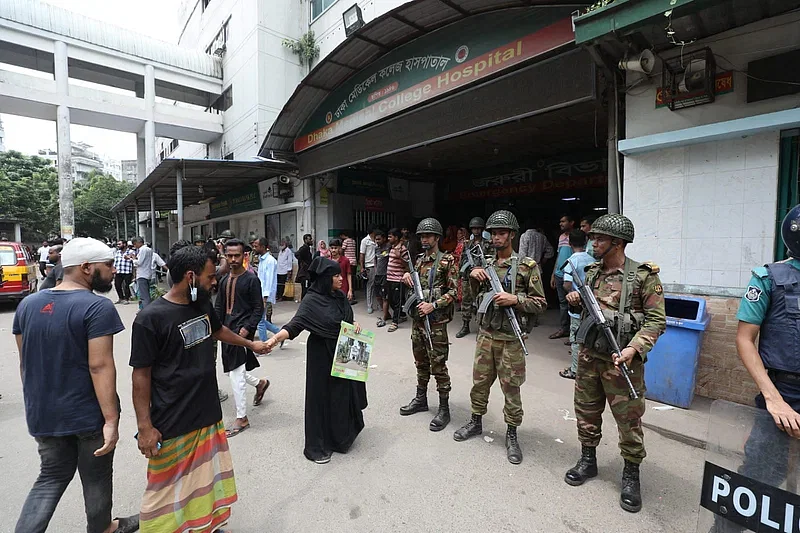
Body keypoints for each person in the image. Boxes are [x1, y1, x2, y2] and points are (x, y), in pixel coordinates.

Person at [130, 246, 268, 533]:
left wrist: (251, 344)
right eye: (209, 276)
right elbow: (140, 376)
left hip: (207, 413)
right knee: (164, 492)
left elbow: (218, 331)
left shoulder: (201, 304)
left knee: (206, 481)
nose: (214, 281)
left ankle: (206, 525)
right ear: (190, 276)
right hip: (172, 420)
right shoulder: (150, 318)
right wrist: (145, 427)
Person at [13, 237, 139, 533]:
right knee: (95, 476)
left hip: (43, 413)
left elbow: (25, 363)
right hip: (86, 415)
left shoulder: (27, 305)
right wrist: (111, 419)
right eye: (107, 265)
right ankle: (103, 528)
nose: (112, 270)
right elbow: (100, 365)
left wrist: (37, 405)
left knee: (51, 476)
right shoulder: (97, 307)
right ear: (85, 267)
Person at [563, 214, 666, 513]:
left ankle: (631, 474)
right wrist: (576, 299)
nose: (593, 242)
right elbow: (589, 307)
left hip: (622, 360)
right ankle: (588, 459)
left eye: (600, 238)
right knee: (586, 410)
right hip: (589, 357)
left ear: (617, 243)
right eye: (593, 237)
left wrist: (634, 348)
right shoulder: (592, 272)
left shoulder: (643, 277)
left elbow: (657, 321)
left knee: (628, 419)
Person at [719, 204, 800, 531]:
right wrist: (773, 397)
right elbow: (745, 339)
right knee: (759, 477)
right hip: (783, 393)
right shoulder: (769, 278)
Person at [453, 210, 547, 464]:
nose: (496, 237)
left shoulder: (527, 266)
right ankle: (475, 422)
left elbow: (540, 303)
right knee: (479, 383)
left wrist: (515, 299)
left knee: (511, 388)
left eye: (501, 233)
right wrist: (471, 276)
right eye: (493, 233)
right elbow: (472, 299)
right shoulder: (485, 265)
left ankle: (512, 434)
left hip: (511, 339)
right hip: (486, 335)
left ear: (512, 235)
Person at [263, 257, 367, 464]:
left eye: (339, 274)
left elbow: (345, 317)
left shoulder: (339, 297)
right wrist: (273, 339)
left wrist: (354, 323)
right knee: (320, 398)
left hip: (344, 351)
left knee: (342, 394)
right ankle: (316, 446)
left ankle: (341, 438)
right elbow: (295, 325)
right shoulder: (311, 301)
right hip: (321, 354)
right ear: (325, 278)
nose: (340, 279)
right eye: (336, 275)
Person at [399, 218, 457, 432]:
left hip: (436, 322)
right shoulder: (419, 261)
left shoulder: (447, 260)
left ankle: (444, 408)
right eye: (421, 236)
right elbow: (415, 286)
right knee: (420, 361)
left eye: (428, 236)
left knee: (439, 365)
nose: (424, 239)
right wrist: (407, 277)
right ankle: (421, 398)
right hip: (418, 321)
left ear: (437, 238)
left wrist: (433, 305)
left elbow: (453, 292)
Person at [214, 239, 270, 437]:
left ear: (244, 256)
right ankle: (259, 383)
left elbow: (258, 308)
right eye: (229, 255)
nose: (232, 259)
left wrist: (247, 329)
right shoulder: (223, 280)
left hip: (242, 331)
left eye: (236, 255)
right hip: (226, 331)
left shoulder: (251, 279)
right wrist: (215, 329)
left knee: (236, 373)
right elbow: (219, 308)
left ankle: (242, 418)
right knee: (233, 371)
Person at [558, 229, 594, 380]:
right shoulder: (592, 259)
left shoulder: (571, 261)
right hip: (591, 304)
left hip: (577, 305)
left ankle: (574, 370)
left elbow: (566, 284)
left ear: (570, 243)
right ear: (585, 242)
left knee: (575, 338)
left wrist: (573, 293)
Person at [456, 217, 489, 339]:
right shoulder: (467, 244)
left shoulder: (487, 244)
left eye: (478, 228)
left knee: (481, 301)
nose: (476, 231)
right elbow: (462, 259)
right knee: (466, 301)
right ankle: (465, 325)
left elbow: (490, 260)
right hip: (468, 276)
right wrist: (461, 272)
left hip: (481, 277)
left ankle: (482, 326)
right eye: (474, 228)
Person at [252, 237, 282, 344]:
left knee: (260, 321)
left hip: (265, 295)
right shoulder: (261, 260)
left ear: (263, 247)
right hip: (260, 294)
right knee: (260, 320)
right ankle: (280, 334)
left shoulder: (270, 261)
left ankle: (264, 345)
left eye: (256, 246)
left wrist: (264, 298)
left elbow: (268, 281)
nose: (254, 248)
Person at [550, 215, 576, 340]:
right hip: (559, 274)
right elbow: (558, 256)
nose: (561, 223)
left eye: (563, 221)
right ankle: (564, 329)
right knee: (562, 303)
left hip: (571, 275)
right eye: (560, 221)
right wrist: (553, 274)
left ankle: (574, 333)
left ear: (571, 222)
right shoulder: (561, 237)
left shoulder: (577, 237)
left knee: (574, 303)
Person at [385, 228, 408, 332]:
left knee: (397, 301)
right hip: (389, 278)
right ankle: (402, 315)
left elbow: (407, 265)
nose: (388, 238)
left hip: (398, 279)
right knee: (390, 300)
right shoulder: (391, 247)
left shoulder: (403, 249)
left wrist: (399, 257)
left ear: (396, 237)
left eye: (390, 236)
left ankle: (395, 323)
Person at [129, 237, 155, 308]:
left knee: (144, 296)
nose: (135, 246)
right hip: (147, 273)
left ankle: (146, 310)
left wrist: (133, 259)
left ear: (138, 242)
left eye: (135, 244)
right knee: (146, 294)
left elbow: (139, 262)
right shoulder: (149, 249)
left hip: (142, 274)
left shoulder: (143, 250)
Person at [373, 230, 391, 327]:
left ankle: (384, 317)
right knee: (378, 296)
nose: (377, 241)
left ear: (384, 239)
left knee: (385, 297)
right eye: (376, 239)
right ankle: (387, 314)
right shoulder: (376, 249)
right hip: (377, 275)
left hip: (385, 276)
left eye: (379, 239)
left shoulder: (389, 247)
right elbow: (375, 260)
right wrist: (375, 270)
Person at [359, 226, 378, 313]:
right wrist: (362, 267)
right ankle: (369, 305)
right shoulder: (365, 241)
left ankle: (378, 303)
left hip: (378, 265)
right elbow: (362, 254)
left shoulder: (377, 240)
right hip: (369, 265)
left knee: (377, 285)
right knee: (370, 285)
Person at [112, 240, 134, 305]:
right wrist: (114, 270)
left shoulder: (131, 252)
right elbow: (115, 262)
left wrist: (134, 274)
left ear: (124, 244)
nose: (118, 245)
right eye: (117, 244)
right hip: (119, 271)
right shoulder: (117, 252)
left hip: (127, 271)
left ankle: (126, 299)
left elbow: (134, 261)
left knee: (127, 286)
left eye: (119, 244)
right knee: (117, 285)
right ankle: (121, 298)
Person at [296, 234, 314, 299]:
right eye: (310, 239)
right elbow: (297, 254)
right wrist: (303, 263)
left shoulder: (307, 248)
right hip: (305, 274)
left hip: (307, 273)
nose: (311, 240)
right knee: (305, 290)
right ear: (306, 240)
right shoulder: (304, 248)